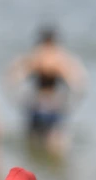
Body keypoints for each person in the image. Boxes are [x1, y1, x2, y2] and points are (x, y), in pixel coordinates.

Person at [8, 26, 87, 159]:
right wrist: (70, 103)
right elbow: (79, 84)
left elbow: (13, 78)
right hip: (53, 105)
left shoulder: (35, 56)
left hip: (37, 104)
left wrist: (20, 100)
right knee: (55, 148)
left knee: (34, 147)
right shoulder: (60, 57)